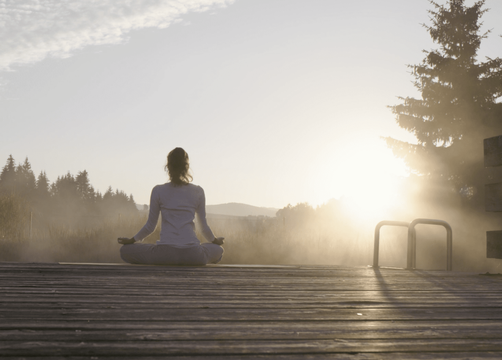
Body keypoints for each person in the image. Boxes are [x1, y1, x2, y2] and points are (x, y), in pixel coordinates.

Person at [119, 147, 224, 266]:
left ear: (168, 167)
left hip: (164, 255)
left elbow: (150, 226)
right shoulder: (198, 191)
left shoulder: (158, 190)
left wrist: (131, 240)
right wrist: (215, 241)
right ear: (186, 167)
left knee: (125, 251)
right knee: (218, 250)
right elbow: (203, 227)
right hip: (193, 255)